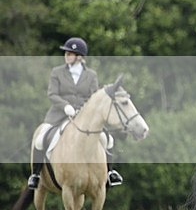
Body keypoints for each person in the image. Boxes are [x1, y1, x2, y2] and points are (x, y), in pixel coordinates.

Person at [27, 37, 124, 189]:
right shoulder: (57, 72)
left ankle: (110, 173)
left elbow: (93, 97)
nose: (66, 55)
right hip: (59, 115)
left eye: (70, 53)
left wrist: (84, 110)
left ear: (79, 57)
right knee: (40, 139)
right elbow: (52, 94)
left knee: (108, 139)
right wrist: (65, 106)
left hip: (84, 117)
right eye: (66, 52)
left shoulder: (91, 75)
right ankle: (36, 175)